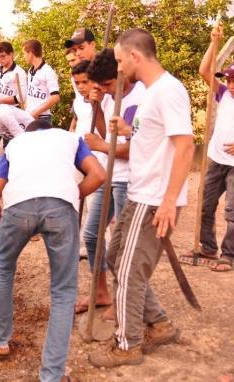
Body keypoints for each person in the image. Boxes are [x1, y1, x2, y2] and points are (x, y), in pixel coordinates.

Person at [89, 28, 195, 368]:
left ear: (135, 56)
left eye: (120, 61)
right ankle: (160, 324)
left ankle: (127, 344)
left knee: (131, 270)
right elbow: (154, 139)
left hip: (153, 198)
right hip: (140, 192)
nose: (118, 69)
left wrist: (168, 202)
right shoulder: (151, 93)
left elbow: (185, 146)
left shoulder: (168, 90)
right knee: (116, 257)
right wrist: (126, 131)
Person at [0, 118, 105, 382]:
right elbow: (98, 175)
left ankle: (1, 339)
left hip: (17, 208)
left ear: (29, 133)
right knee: (63, 291)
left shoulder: (15, 144)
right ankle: (52, 375)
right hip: (61, 208)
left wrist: (4, 231)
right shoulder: (70, 139)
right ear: (50, 131)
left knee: (4, 269)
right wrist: (72, 195)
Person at [74, 48, 145, 318]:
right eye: (99, 86)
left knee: (124, 245)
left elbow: (134, 145)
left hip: (130, 178)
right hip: (109, 173)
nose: (102, 89)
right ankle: (101, 292)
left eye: (105, 85)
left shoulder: (141, 97)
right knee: (91, 236)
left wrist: (101, 146)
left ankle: (124, 299)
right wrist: (96, 105)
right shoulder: (105, 94)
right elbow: (106, 132)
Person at [185, 25, 234, 272]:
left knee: (232, 212)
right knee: (205, 203)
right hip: (216, 158)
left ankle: (229, 255)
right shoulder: (224, 95)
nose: (232, 84)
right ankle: (207, 247)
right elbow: (204, 71)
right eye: (230, 79)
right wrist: (214, 42)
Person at [65, 28, 97, 134]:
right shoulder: (77, 75)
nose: (77, 53)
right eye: (75, 50)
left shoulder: (107, 72)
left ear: (92, 45)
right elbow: (79, 104)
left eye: (81, 48)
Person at [22, 39, 60, 121]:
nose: (24, 56)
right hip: (29, 117)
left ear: (31, 53)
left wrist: (35, 112)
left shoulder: (48, 71)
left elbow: (55, 97)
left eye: (24, 53)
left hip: (42, 118)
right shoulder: (30, 71)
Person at [0, 41, 27, 108]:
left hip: (12, 110)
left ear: (11, 54)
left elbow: (22, 97)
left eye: (3, 56)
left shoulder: (19, 72)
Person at [69, 60, 93, 135]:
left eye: (84, 82)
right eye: (77, 83)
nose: (80, 87)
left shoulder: (103, 101)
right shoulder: (77, 101)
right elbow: (76, 119)